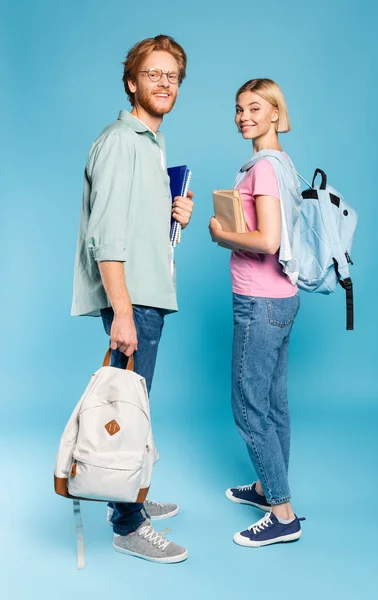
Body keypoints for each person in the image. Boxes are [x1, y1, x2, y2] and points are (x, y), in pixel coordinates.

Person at [71, 35, 194, 563]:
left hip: (145, 293)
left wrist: (174, 214)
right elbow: (107, 236)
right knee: (129, 410)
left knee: (136, 407)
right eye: (153, 74)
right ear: (132, 82)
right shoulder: (123, 141)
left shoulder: (149, 142)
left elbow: (135, 225)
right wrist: (122, 309)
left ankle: (130, 497)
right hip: (134, 300)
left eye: (172, 76)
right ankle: (127, 522)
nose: (163, 83)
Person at [209, 78, 304, 547]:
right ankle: (270, 488)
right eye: (239, 108)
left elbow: (267, 241)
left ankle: (282, 514)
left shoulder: (263, 169)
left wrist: (220, 233)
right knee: (274, 404)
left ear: (273, 113)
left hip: (259, 302)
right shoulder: (283, 165)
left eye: (254, 108)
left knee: (249, 408)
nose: (243, 116)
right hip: (283, 299)